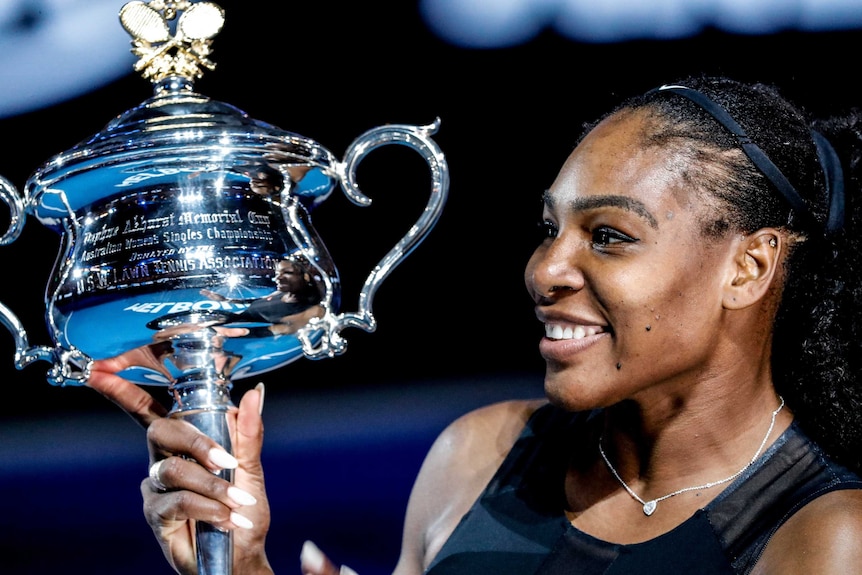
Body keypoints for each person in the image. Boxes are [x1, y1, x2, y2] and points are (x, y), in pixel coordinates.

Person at [86, 74, 862, 574]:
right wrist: (239, 557)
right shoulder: (476, 456)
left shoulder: (829, 538)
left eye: (610, 236)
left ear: (749, 268)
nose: (544, 269)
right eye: (549, 228)